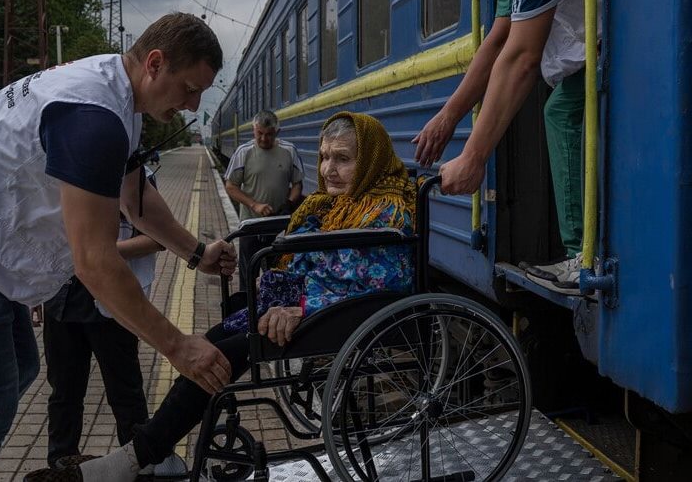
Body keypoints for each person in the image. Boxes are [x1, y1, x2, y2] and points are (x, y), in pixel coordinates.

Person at [0, 12, 237, 481]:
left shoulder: (115, 96)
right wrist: (179, 347)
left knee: (15, 374)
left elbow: (136, 200)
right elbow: (94, 263)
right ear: (155, 63)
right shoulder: (92, 115)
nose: (193, 105)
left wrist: (196, 252)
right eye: (190, 88)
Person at [25, 111, 417, 482]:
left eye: (343, 159)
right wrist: (281, 295)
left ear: (370, 159)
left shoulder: (387, 211)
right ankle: (144, 452)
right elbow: (299, 264)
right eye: (326, 156)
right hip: (301, 308)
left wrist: (295, 306)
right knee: (210, 346)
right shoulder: (331, 205)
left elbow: (370, 281)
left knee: (220, 354)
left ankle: (137, 455)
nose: (329, 169)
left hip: (335, 314)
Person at [414, 0, 596, 293]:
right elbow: (499, 39)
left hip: (598, 48)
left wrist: (473, 157)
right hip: (586, 51)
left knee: (562, 114)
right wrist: (449, 115)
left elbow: (522, 57)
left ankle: (584, 259)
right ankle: (582, 255)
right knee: (559, 110)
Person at [43, 171, 162, 469]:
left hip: (113, 302)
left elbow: (157, 238)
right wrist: (37, 289)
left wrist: (103, 253)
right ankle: (60, 465)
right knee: (63, 393)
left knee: (125, 393)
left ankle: (140, 464)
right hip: (62, 301)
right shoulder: (59, 172)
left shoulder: (135, 176)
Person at [224, 110, 305, 289]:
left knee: (277, 275)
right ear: (254, 130)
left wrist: (289, 204)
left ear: (277, 132)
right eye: (259, 133)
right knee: (248, 276)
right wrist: (254, 204)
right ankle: (248, 308)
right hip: (250, 226)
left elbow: (297, 184)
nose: (263, 139)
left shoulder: (288, 151)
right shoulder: (243, 152)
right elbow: (230, 186)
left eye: (268, 134)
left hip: (278, 227)